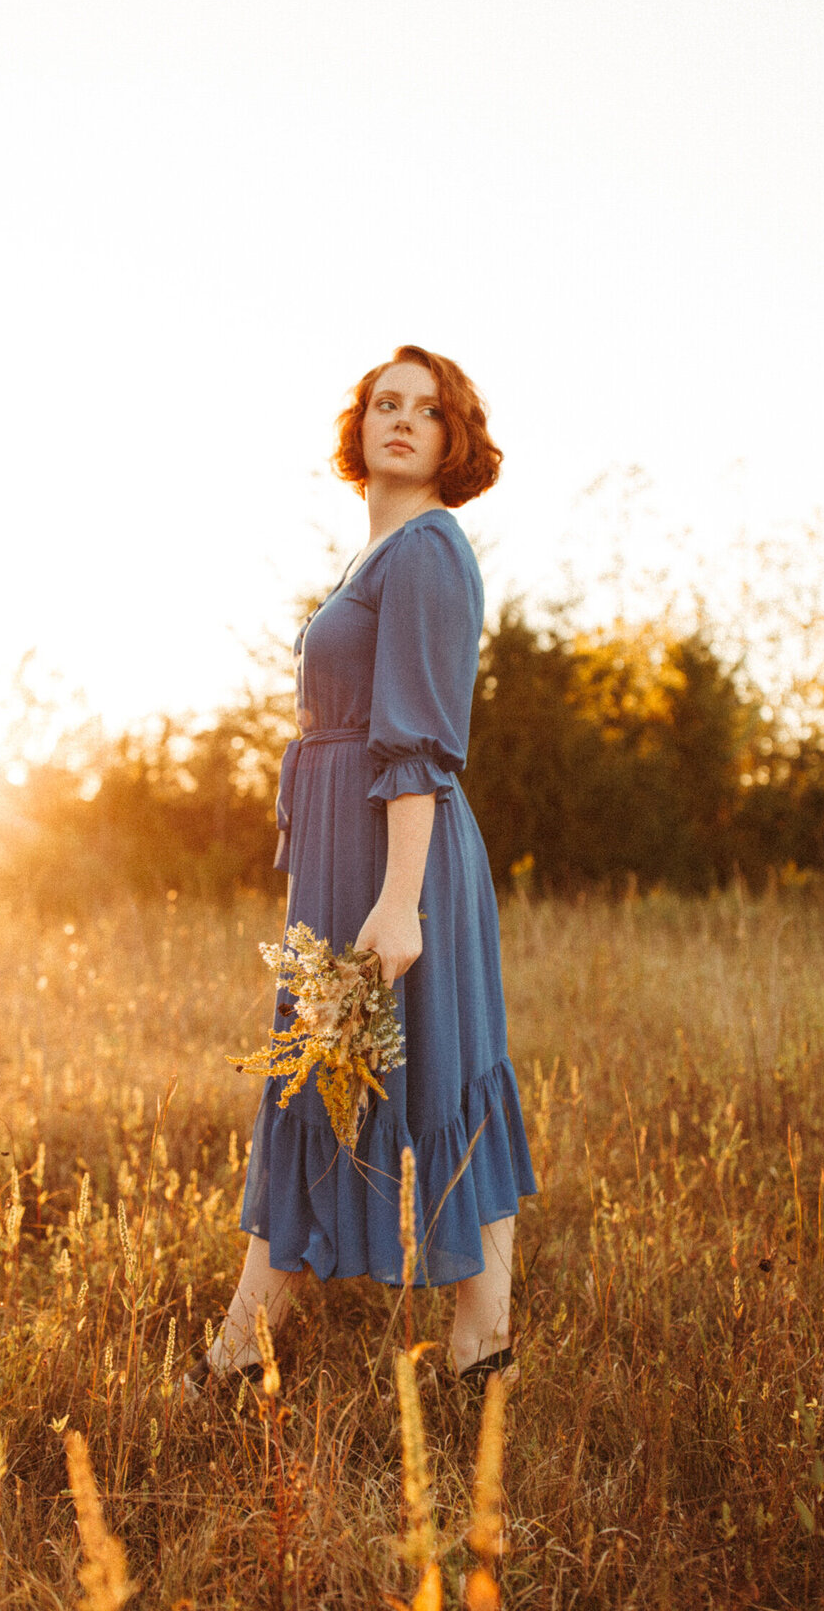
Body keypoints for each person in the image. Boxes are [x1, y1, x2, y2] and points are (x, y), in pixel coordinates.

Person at [191, 344, 537, 1394]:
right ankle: (255, 1343)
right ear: (362, 428)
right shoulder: (376, 558)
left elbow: (420, 741)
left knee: (431, 1070)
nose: (401, 420)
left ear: (451, 439)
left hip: (403, 859)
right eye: (385, 403)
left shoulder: (429, 549)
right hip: (352, 853)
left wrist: (397, 901)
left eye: (425, 411)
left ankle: (470, 1349)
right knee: (329, 1075)